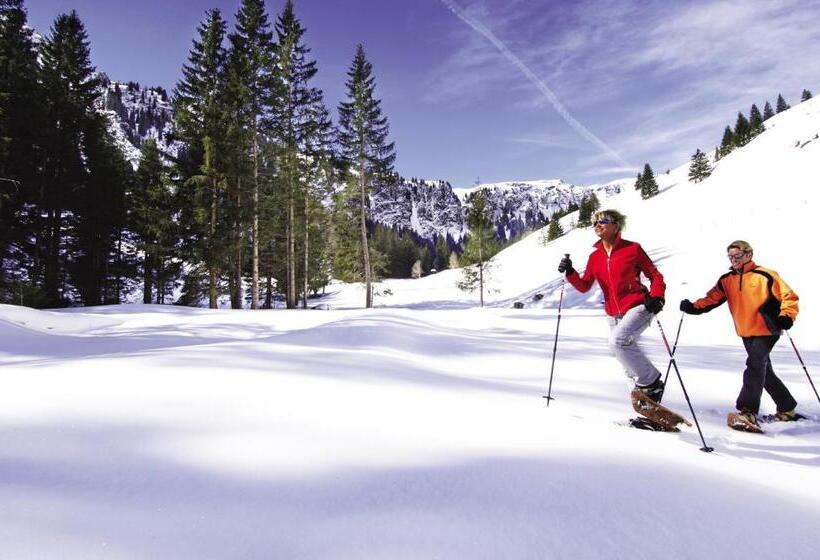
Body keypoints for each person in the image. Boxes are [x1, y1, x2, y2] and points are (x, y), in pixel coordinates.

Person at [680, 240, 801, 431]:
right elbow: (712, 298)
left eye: (738, 256)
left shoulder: (765, 275)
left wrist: (786, 317)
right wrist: (693, 307)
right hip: (746, 330)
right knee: (763, 371)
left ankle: (748, 411)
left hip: (768, 328)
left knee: (754, 366)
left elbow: (789, 297)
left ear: (749, 255)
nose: (734, 260)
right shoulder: (727, 280)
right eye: (731, 256)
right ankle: (787, 408)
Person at [558, 209, 667, 404]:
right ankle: (646, 405)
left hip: (638, 305)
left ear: (616, 225)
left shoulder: (632, 249)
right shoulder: (595, 257)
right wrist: (570, 271)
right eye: (595, 223)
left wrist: (657, 296)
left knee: (618, 341)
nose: (598, 225)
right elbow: (584, 286)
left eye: (603, 221)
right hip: (612, 312)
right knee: (624, 359)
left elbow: (654, 275)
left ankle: (652, 380)